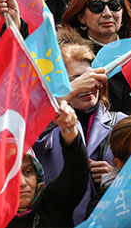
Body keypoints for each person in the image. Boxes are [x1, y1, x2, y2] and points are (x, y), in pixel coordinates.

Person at [34, 40, 126, 224]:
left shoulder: (122, 122)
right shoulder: (47, 122)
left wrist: (116, 176)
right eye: (76, 80)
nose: (89, 86)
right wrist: (67, 94)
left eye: (91, 77)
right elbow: (28, 142)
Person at [7, 100, 91, 228]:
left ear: (38, 174)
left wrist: (69, 130)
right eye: (12, 174)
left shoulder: (54, 203)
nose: (23, 183)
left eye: (28, 172)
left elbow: (77, 172)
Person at [61, 0, 131, 112]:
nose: (107, 13)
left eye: (115, 5)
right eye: (97, 7)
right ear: (81, 17)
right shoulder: (72, 59)